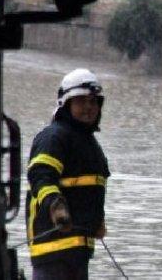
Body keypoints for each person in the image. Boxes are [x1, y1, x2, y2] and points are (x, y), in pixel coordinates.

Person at [25, 68, 110, 280]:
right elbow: (41, 175)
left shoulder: (89, 143)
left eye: (93, 102)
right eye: (81, 102)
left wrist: (97, 220)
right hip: (53, 251)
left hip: (78, 252)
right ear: (66, 104)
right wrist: (56, 206)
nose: (88, 108)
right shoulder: (54, 137)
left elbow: (88, 189)